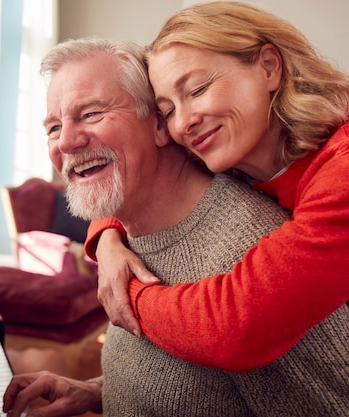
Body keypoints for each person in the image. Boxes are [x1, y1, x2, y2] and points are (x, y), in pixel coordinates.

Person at [2, 37, 348, 417]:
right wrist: (98, 393)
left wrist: (132, 298)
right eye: (53, 127)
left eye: (91, 114)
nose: (66, 142)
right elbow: (196, 390)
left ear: (160, 126)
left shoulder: (252, 246)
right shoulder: (133, 234)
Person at [87, 0, 349, 371]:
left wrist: (128, 294)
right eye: (168, 110)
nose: (184, 123)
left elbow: (236, 326)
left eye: (197, 89)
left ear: (269, 67)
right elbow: (140, 179)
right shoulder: (228, 156)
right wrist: (107, 240)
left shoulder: (341, 173)